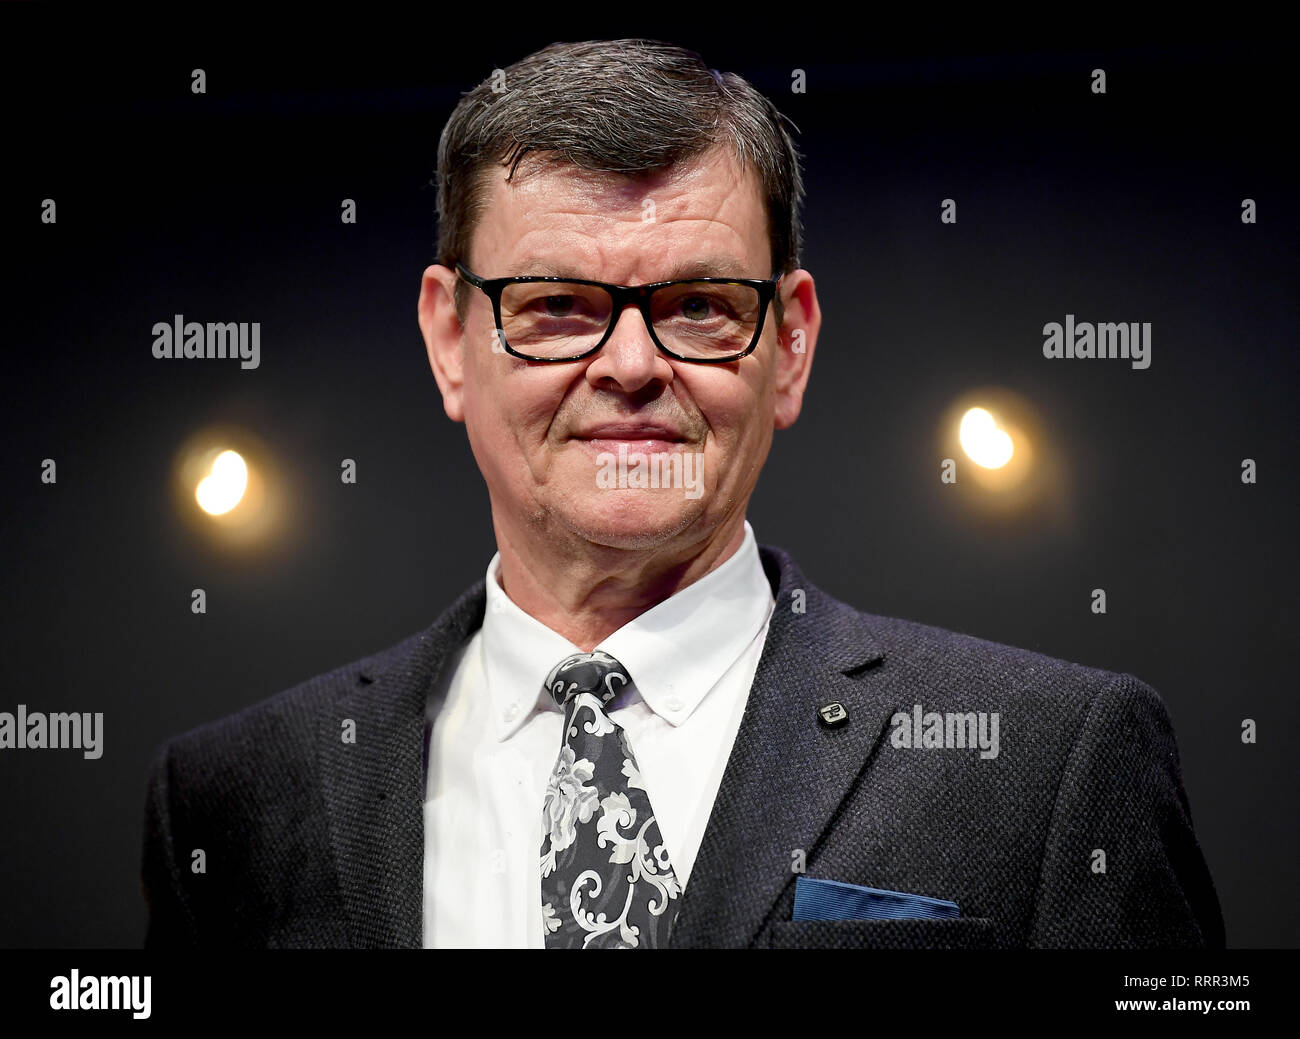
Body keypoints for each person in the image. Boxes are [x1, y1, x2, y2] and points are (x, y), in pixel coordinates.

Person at [140, 38, 1225, 949]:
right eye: (557, 303)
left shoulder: (1050, 758)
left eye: (700, 304)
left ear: (789, 344)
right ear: (448, 340)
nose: (628, 364)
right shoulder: (232, 794)